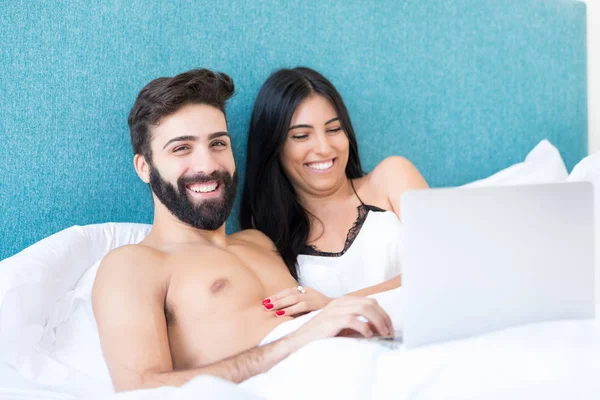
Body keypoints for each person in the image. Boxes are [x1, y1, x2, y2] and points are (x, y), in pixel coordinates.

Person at [91, 69, 393, 393]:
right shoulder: (132, 264)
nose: (207, 165)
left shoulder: (259, 241)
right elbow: (141, 389)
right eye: (181, 148)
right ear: (144, 167)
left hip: (369, 368)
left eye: (218, 143)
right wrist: (297, 340)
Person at [240, 67, 428, 317]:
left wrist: (334, 304)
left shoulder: (392, 176)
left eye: (333, 129)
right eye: (301, 135)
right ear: (274, 146)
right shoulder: (267, 236)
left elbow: (447, 264)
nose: (324, 147)